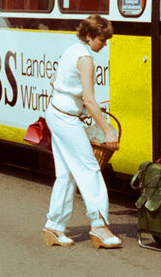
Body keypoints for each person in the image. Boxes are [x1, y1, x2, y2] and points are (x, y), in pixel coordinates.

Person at [43, 15, 121, 249]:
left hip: (56, 113)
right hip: (66, 118)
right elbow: (89, 100)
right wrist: (108, 130)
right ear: (89, 36)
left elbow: (53, 81)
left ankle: (54, 225)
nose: (104, 44)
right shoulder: (85, 58)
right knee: (89, 169)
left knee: (66, 173)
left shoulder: (71, 50)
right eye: (101, 39)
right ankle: (99, 226)